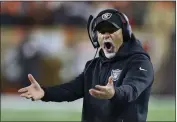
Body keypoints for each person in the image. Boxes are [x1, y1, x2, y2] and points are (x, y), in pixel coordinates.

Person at [18, 8, 154, 122]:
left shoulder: (140, 62)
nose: (106, 35)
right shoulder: (93, 65)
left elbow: (132, 89)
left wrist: (114, 93)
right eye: (102, 31)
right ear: (95, 37)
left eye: (112, 30)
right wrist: (44, 92)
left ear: (125, 34)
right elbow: (72, 90)